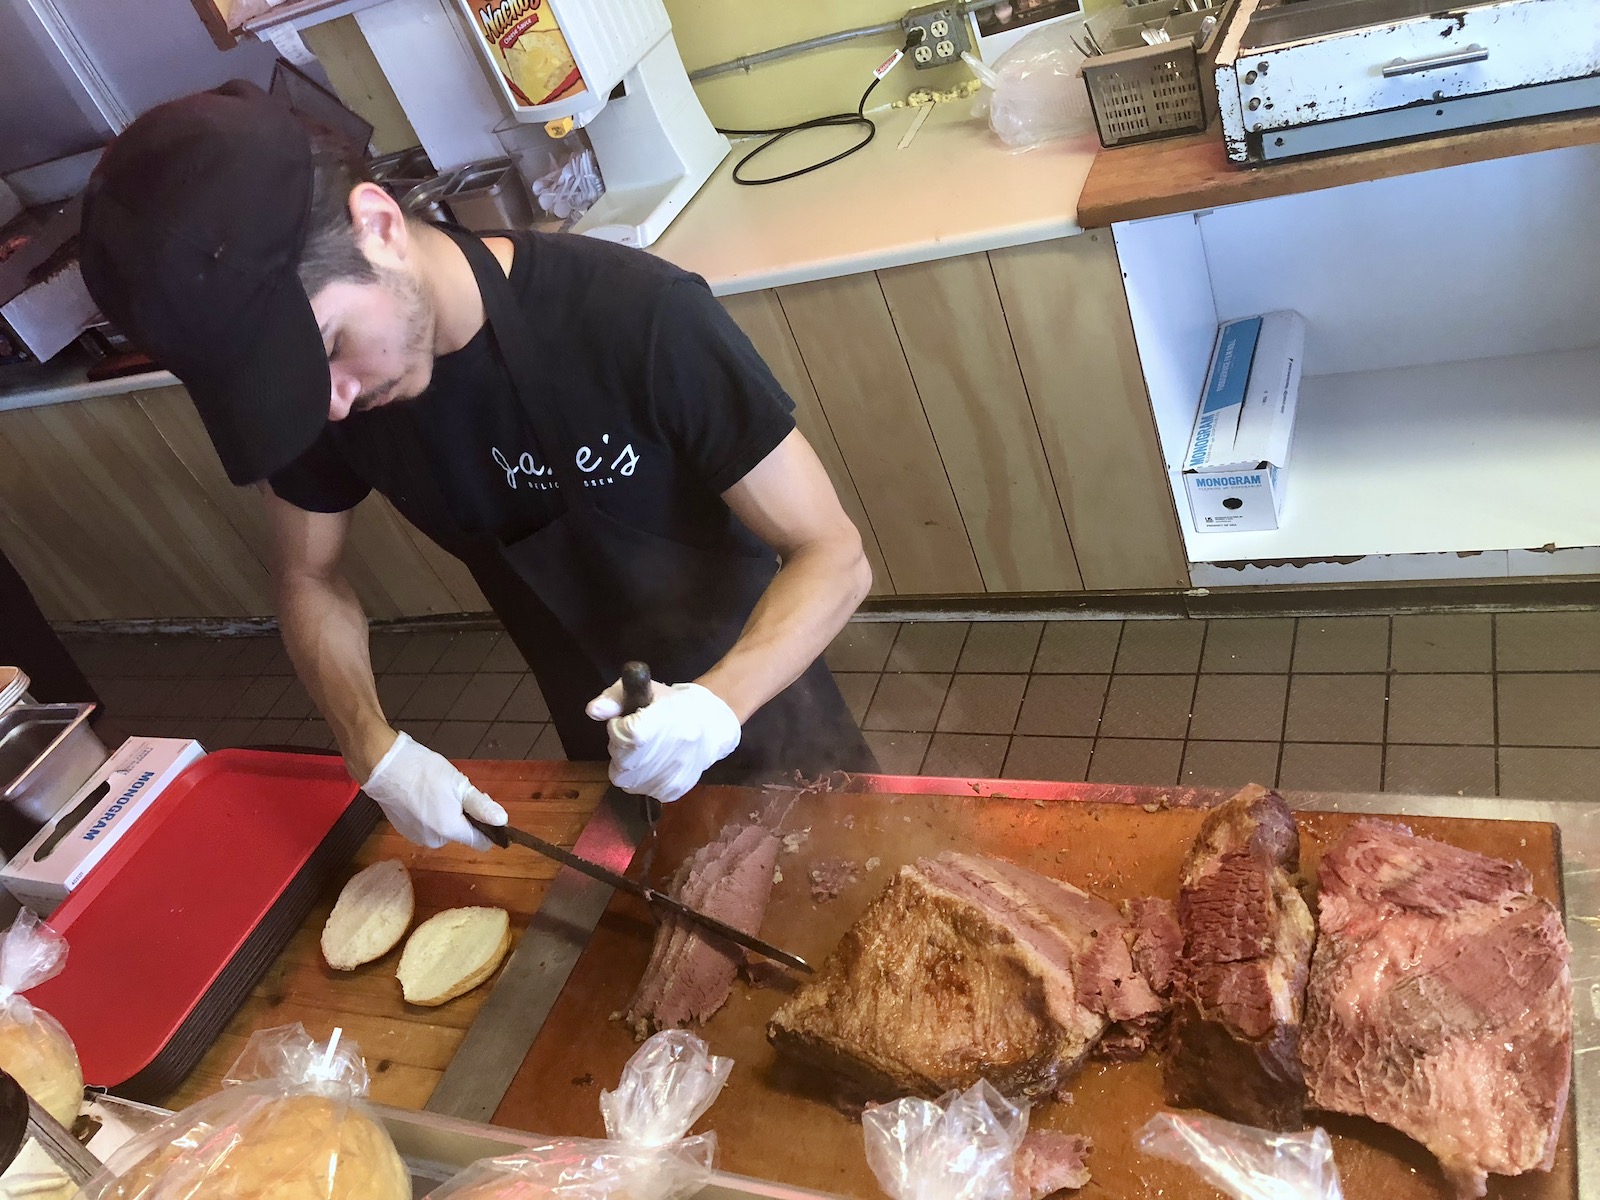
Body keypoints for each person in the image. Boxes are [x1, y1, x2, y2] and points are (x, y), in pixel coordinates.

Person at [78, 81, 877, 852]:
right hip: (593, 735)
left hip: (766, 696)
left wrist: (713, 707)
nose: (330, 404)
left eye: (328, 347)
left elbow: (832, 554)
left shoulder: (635, 316)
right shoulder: (326, 396)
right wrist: (372, 747)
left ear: (380, 225)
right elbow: (307, 578)